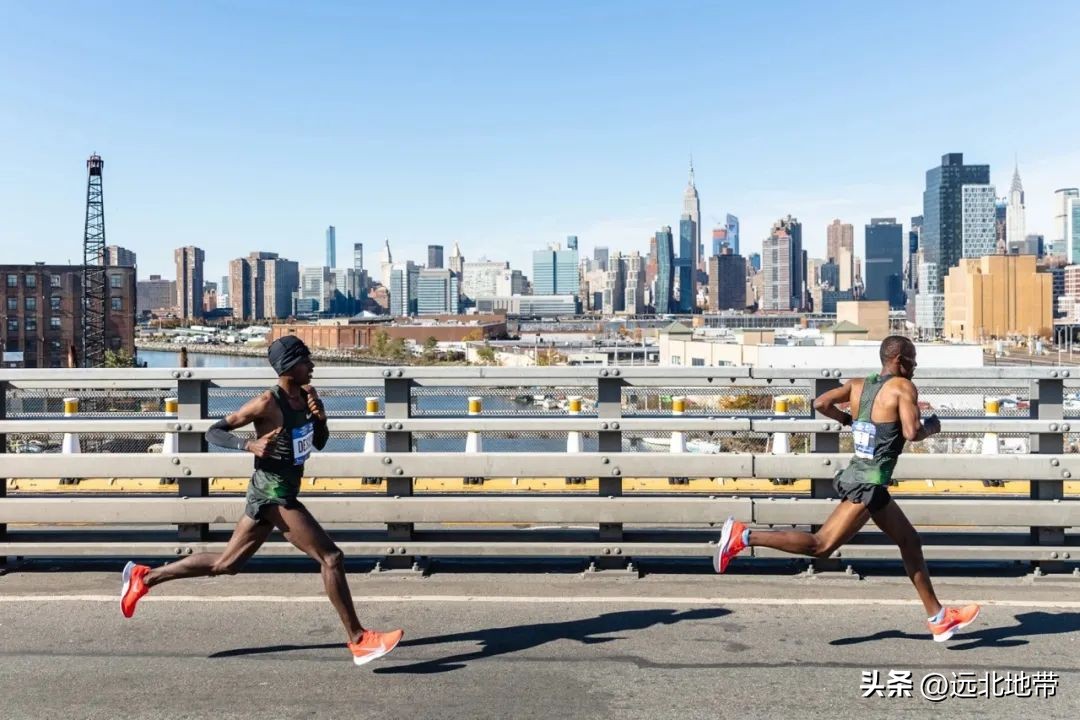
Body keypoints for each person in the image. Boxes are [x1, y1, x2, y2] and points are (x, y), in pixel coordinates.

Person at [120, 336, 403, 666]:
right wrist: (248, 445)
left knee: (226, 564)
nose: (312, 365)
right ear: (289, 366)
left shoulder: (307, 396)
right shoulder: (266, 402)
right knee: (331, 557)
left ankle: (145, 577)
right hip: (273, 493)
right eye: (306, 360)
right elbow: (215, 431)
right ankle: (359, 640)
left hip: (275, 491)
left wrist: (321, 418)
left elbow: (320, 443)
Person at [713, 335, 980, 642]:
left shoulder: (858, 385)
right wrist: (933, 426)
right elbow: (911, 431)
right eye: (913, 360)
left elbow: (821, 403)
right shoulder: (903, 387)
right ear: (899, 360)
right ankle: (743, 536)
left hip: (864, 478)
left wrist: (847, 419)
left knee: (909, 541)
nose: (916, 366)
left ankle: (938, 618)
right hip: (868, 482)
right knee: (821, 546)